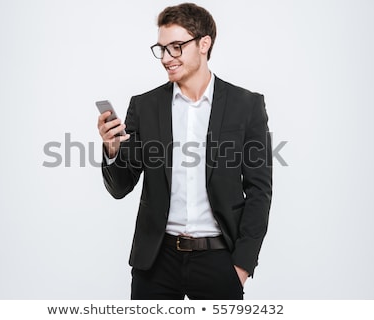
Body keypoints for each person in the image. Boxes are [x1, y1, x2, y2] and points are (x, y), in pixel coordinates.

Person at [97, 2, 272, 300]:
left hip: (219, 259)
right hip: (155, 262)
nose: (166, 58)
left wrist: (242, 264)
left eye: (176, 47)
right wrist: (112, 149)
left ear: (204, 44)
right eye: (162, 48)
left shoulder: (246, 105)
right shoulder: (145, 106)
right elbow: (121, 186)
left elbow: (259, 191)